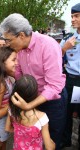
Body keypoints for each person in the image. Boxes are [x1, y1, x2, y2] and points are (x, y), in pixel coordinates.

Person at [0, 13, 67, 150]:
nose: (8, 44)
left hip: (52, 101)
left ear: (22, 35)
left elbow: (54, 85)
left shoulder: (48, 45)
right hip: (31, 98)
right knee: (34, 137)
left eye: (9, 40)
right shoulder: (20, 49)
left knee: (51, 139)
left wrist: (29, 106)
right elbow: (19, 73)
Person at [5, 75, 55, 150]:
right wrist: (52, 143)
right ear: (35, 94)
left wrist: (22, 133)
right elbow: (49, 147)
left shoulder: (12, 110)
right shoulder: (42, 117)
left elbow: (7, 128)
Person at [60, 3, 80, 148]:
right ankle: (66, 141)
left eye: (76, 16)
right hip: (71, 81)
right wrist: (65, 48)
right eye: (72, 16)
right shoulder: (68, 38)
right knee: (66, 114)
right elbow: (54, 58)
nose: (72, 19)